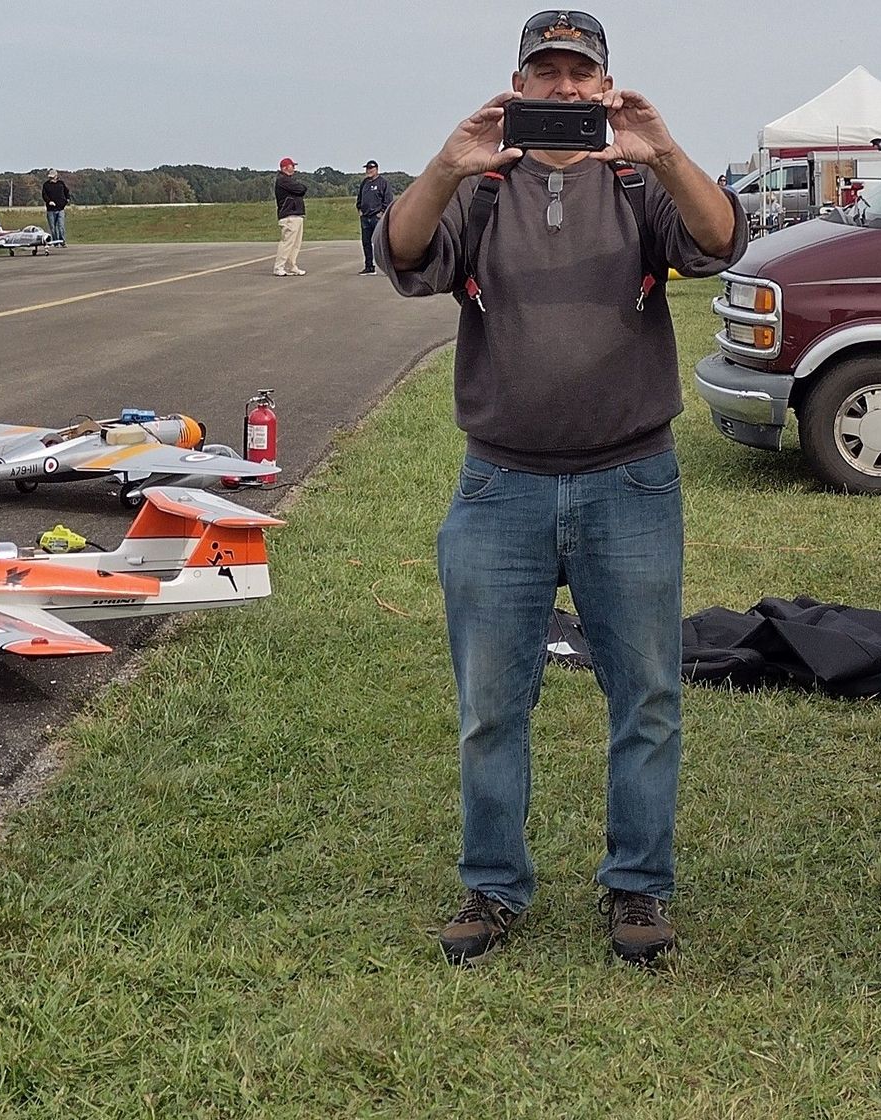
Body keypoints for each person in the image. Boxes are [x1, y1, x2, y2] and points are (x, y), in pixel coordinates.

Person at [376, 9, 745, 967]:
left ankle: (638, 886)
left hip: (632, 481)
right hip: (500, 486)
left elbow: (718, 242)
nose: (567, 89)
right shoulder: (482, 186)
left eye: (582, 74)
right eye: (547, 73)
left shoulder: (637, 180)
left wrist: (663, 150)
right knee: (491, 705)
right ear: (519, 86)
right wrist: (449, 164)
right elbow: (405, 257)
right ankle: (493, 885)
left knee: (648, 697)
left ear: (607, 84)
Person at [355, 159, 394, 274]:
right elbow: (360, 197)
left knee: (381, 244)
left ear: (376, 169)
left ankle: (388, 268)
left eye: (371, 168)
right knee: (366, 242)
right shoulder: (365, 183)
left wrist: (381, 212)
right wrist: (359, 209)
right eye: (367, 168)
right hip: (365, 217)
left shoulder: (383, 183)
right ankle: (369, 267)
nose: (368, 170)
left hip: (377, 217)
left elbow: (388, 199)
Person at [273, 157, 307, 275]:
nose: (294, 168)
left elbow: (301, 189)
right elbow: (301, 189)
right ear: (285, 168)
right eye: (292, 166)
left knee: (295, 244)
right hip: (289, 215)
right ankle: (279, 267)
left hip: (296, 214)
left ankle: (291, 265)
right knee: (287, 242)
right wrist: (299, 188)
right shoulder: (283, 180)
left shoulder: (289, 180)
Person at [42, 169, 71, 245]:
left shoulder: (61, 183)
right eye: (50, 177)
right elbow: (44, 195)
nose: (51, 178)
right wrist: (49, 201)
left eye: (52, 177)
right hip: (51, 210)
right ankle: (55, 242)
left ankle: (62, 241)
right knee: (53, 227)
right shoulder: (46, 185)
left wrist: (67, 199)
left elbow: (66, 191)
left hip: (61, 208)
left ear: (56, 176)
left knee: (61, 226)